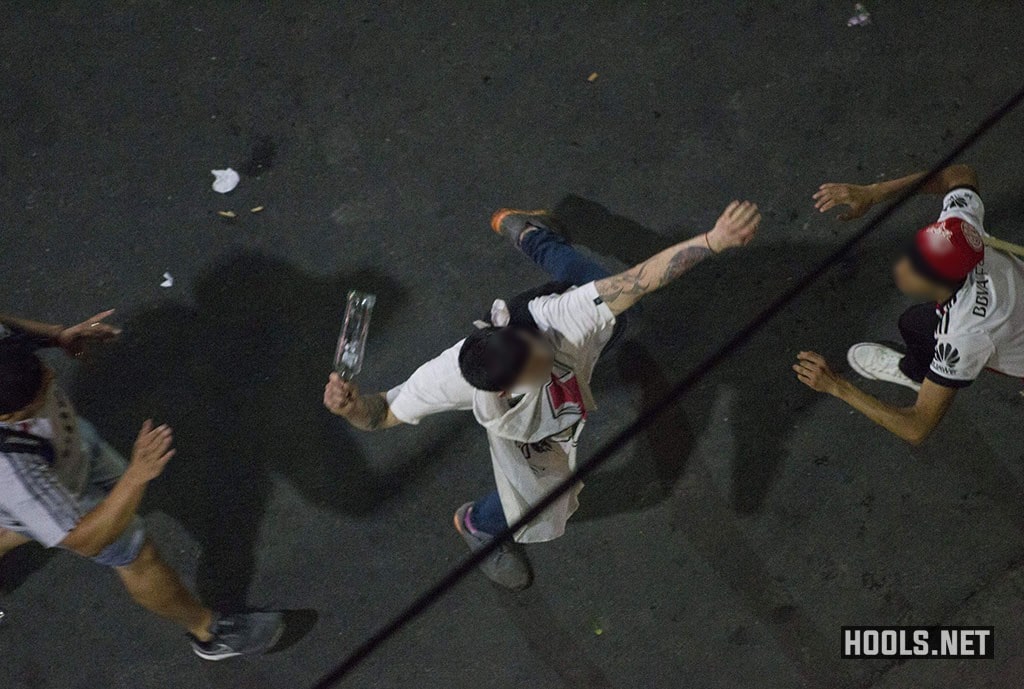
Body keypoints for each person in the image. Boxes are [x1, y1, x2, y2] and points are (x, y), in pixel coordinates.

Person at [324, 201, 761, 590]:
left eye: (533, 346)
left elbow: (639, 280)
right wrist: (351, 408)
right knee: (531, 492)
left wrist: (714, 240)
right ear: (501, 389)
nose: (541, 348)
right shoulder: (448, 377)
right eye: (536, 361)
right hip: (535, 426)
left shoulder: (555, 320)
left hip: (587, 336)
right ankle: (477, 524)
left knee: (616, 301)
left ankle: (530, 234)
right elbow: (380, 414)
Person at [0, 311, 283, 659]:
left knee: (33, 520)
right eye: (38, 396)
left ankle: (26, 525)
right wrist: (137, 474)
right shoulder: (13, 470)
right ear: (8, 417)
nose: (52, 376)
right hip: (58, 487)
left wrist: (56, 336)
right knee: (136, 552)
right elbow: (86, 540)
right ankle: (209, 633)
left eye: (41, 369)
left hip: (70, 447)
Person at [794, 164, 1024, 444]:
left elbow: (917, 427)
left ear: (941, 283)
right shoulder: (963, 230)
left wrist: (836, 385)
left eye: (914, 268)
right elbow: (959, 174)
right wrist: (874, 192)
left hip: (1001, 336)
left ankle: (931, 380)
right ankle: (918, 375)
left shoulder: (964, 337)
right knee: (915, 324)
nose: (900, 267)